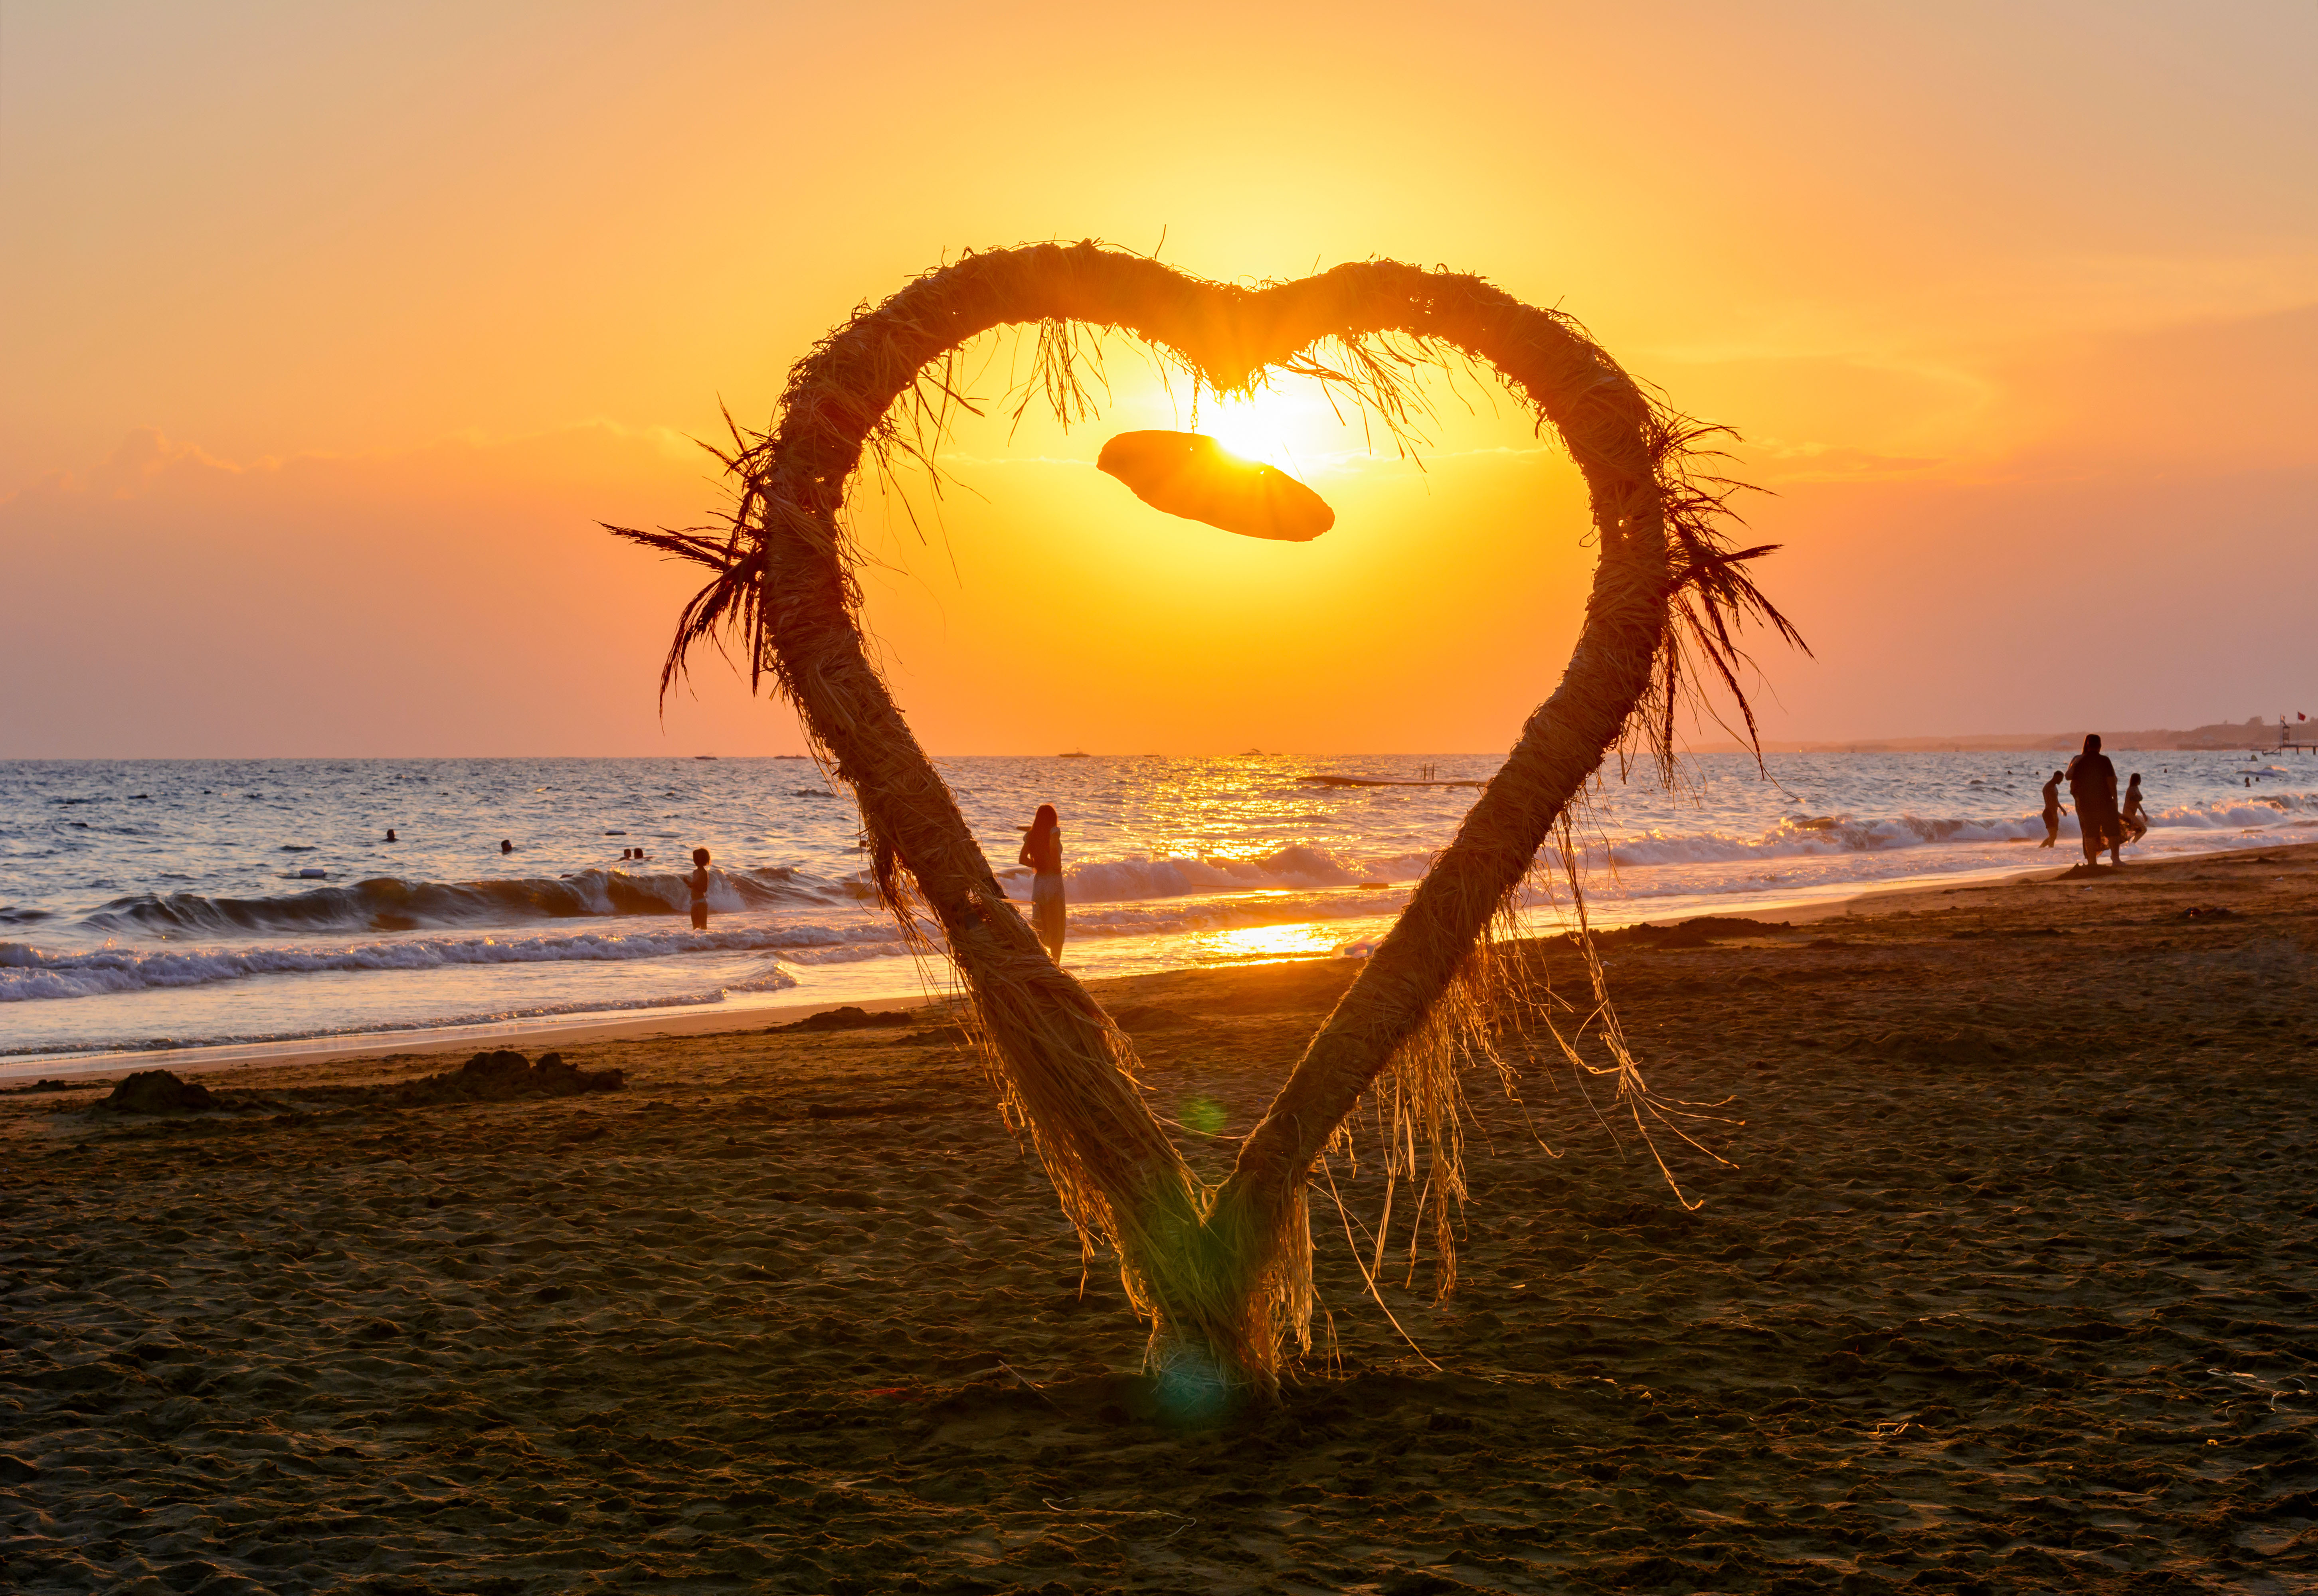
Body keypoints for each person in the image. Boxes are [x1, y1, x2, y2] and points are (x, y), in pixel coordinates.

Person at [1018, 804, 1065, 962]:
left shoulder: (1032, 835)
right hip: (1053, 881)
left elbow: (1022, 859)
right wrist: (1056, 865)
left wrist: (1038, 865)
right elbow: (1053, 847)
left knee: (1041, 924)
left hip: (1039, 885)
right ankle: (1056, 964)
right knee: (1056, 924)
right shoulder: (1054, 832)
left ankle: (1042, 961)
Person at [2065, 734, 2121, 867]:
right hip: (2104, 801)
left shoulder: (2080, 761)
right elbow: (2112, 781)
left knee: (2090, 833)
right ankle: (2116, 860)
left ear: (2088, 745)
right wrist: (2116, 800)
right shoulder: (2104, 760)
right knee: (2113, 831)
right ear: (2100, 745)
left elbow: (2072, 782)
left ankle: (2092, 863)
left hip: (2086, 802)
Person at [2037, 771, 2066, 848]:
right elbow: (2049, 802)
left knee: (2053, 836)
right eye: (2061, 779)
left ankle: (2040, 849)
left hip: (2053, 813)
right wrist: (2054, 815)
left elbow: (2055, 800)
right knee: (2053, 836)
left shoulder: (2054, 786)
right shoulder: (2048, 787)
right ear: (2056, 777)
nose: (2062, 781)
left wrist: (2062, 809)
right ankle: (2051, 853)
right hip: (2049, 813)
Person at [2120, 773, 2149, 844]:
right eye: (2140, 779)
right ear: (2137, 780)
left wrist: (2144, 814)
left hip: (2132, 814)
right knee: (2143, 829)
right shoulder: (2131, 790)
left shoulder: (2136, 788)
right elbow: (2134, 800)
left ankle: (2130, 847)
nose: (2141, 781)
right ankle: (2132, 845)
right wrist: (2139, 798)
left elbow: (2137, 803)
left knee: (2131, 832)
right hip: (2128, 814)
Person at [688, 847, 712, 931]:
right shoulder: (695, 872)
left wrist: (693, 885)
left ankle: (705, 942)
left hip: (702, 902)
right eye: (695, 858)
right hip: (694, 902)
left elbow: (704, 889)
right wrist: (689, 884)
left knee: (703, 926)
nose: (695, 861)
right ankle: (698, 942)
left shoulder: (704, 873)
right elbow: (694, 886)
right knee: (695, 928)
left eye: (698, 858)